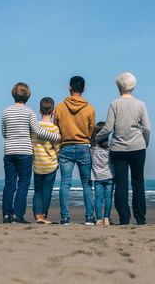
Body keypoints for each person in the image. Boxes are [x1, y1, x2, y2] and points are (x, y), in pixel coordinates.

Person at [95, 72, 151, 225]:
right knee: (138, 183)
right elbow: (147, 128)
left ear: (119, 87)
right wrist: (145, 143)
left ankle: (124, 219)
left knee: (121, 184)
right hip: (138, 148)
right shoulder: (141, 104)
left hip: (118, 149)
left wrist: (95, 139)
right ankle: (140, 219)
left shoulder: (115, 104)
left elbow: (107, 129)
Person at [1, 82, 60, 224]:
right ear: (28, 96)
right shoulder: (29, 112)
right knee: (23, 183)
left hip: (9, 150)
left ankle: (7, 215)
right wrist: (56, 137)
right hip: (25, 152)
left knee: (9, 184)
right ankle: (17, 215)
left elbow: (4, 133)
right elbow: (38, 131)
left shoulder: (6, 111)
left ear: (13, 94)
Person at [53, 76, 96, 225]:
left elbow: (56, 128)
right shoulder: (90, 108)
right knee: (86, 183)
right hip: (83, 146)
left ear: (69, 87)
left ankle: (65, 218)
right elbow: (91, 130)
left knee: (65, 182)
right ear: (84, 89)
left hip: (65, 146)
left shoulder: (59, 107)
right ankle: (89, 217)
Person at [31, 97, 60, 224]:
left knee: (37, 191)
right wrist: (57, 159)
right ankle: (43, 214)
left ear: (39, 111)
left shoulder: (34, 127)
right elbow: (57, 148)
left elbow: (32, 144)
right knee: (47, 191)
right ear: (53, 111)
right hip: (50, 164)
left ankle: (37, 215)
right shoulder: (54, 129)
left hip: (37, 163)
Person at [90, 122, 114, 225]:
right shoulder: (110, 148)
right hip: (109, 176)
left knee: (98, 198)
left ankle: (99, 219)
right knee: (108, 198)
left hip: (97, 177)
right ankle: (107, 218)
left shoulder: (92, 149)